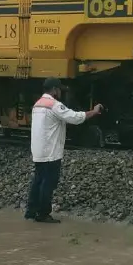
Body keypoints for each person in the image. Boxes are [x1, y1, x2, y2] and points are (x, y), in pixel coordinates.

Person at [26, 77, 103, 223]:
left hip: (38, 151)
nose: (60, 91)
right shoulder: (54, 105)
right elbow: (74, 118)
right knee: (48, 183)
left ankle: (31, 212)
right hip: (50, 152)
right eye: (59, 89)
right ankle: (43, 214)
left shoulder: (38, 104)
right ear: (55, 89)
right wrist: (94, 111)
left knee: (38, 181)